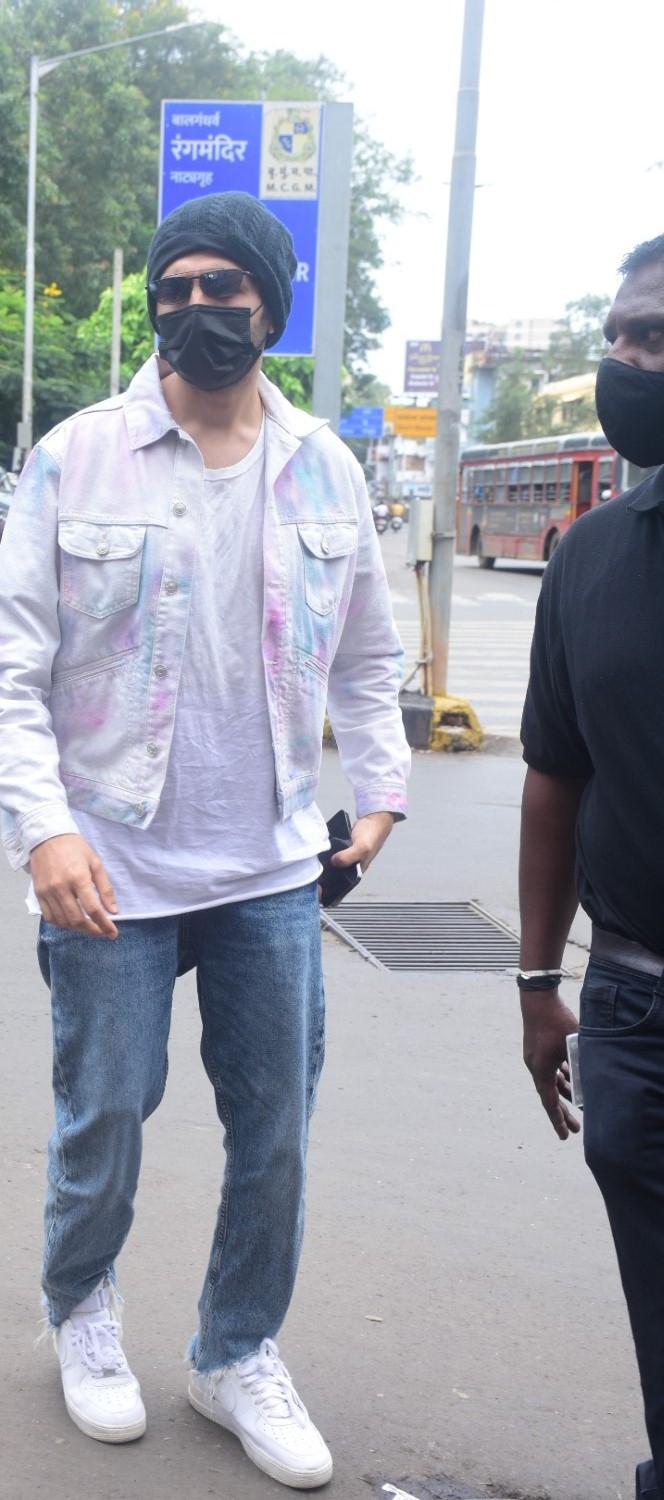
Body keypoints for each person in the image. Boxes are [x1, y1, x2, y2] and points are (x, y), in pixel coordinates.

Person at [0, 191, 410, 1489]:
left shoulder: (325, 466)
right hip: (109, 860)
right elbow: (7, 674)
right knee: (105, 1112)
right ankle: (84, 1313)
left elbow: (372, 664)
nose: (201, 307)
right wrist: (43, 832)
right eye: (182, 285)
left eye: (231, 288)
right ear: (157, 297)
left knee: (273, 1126)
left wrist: (376, 802)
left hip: (271, 862)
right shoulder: (78, 457)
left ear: (273, 309)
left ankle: (235, 1353)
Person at [518, 231, 664, 1500]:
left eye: (655, 337)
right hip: (634, 1007)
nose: (628, 361)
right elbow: (554, 778)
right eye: (619, 336)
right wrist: (532, 984)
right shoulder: (590, 557)